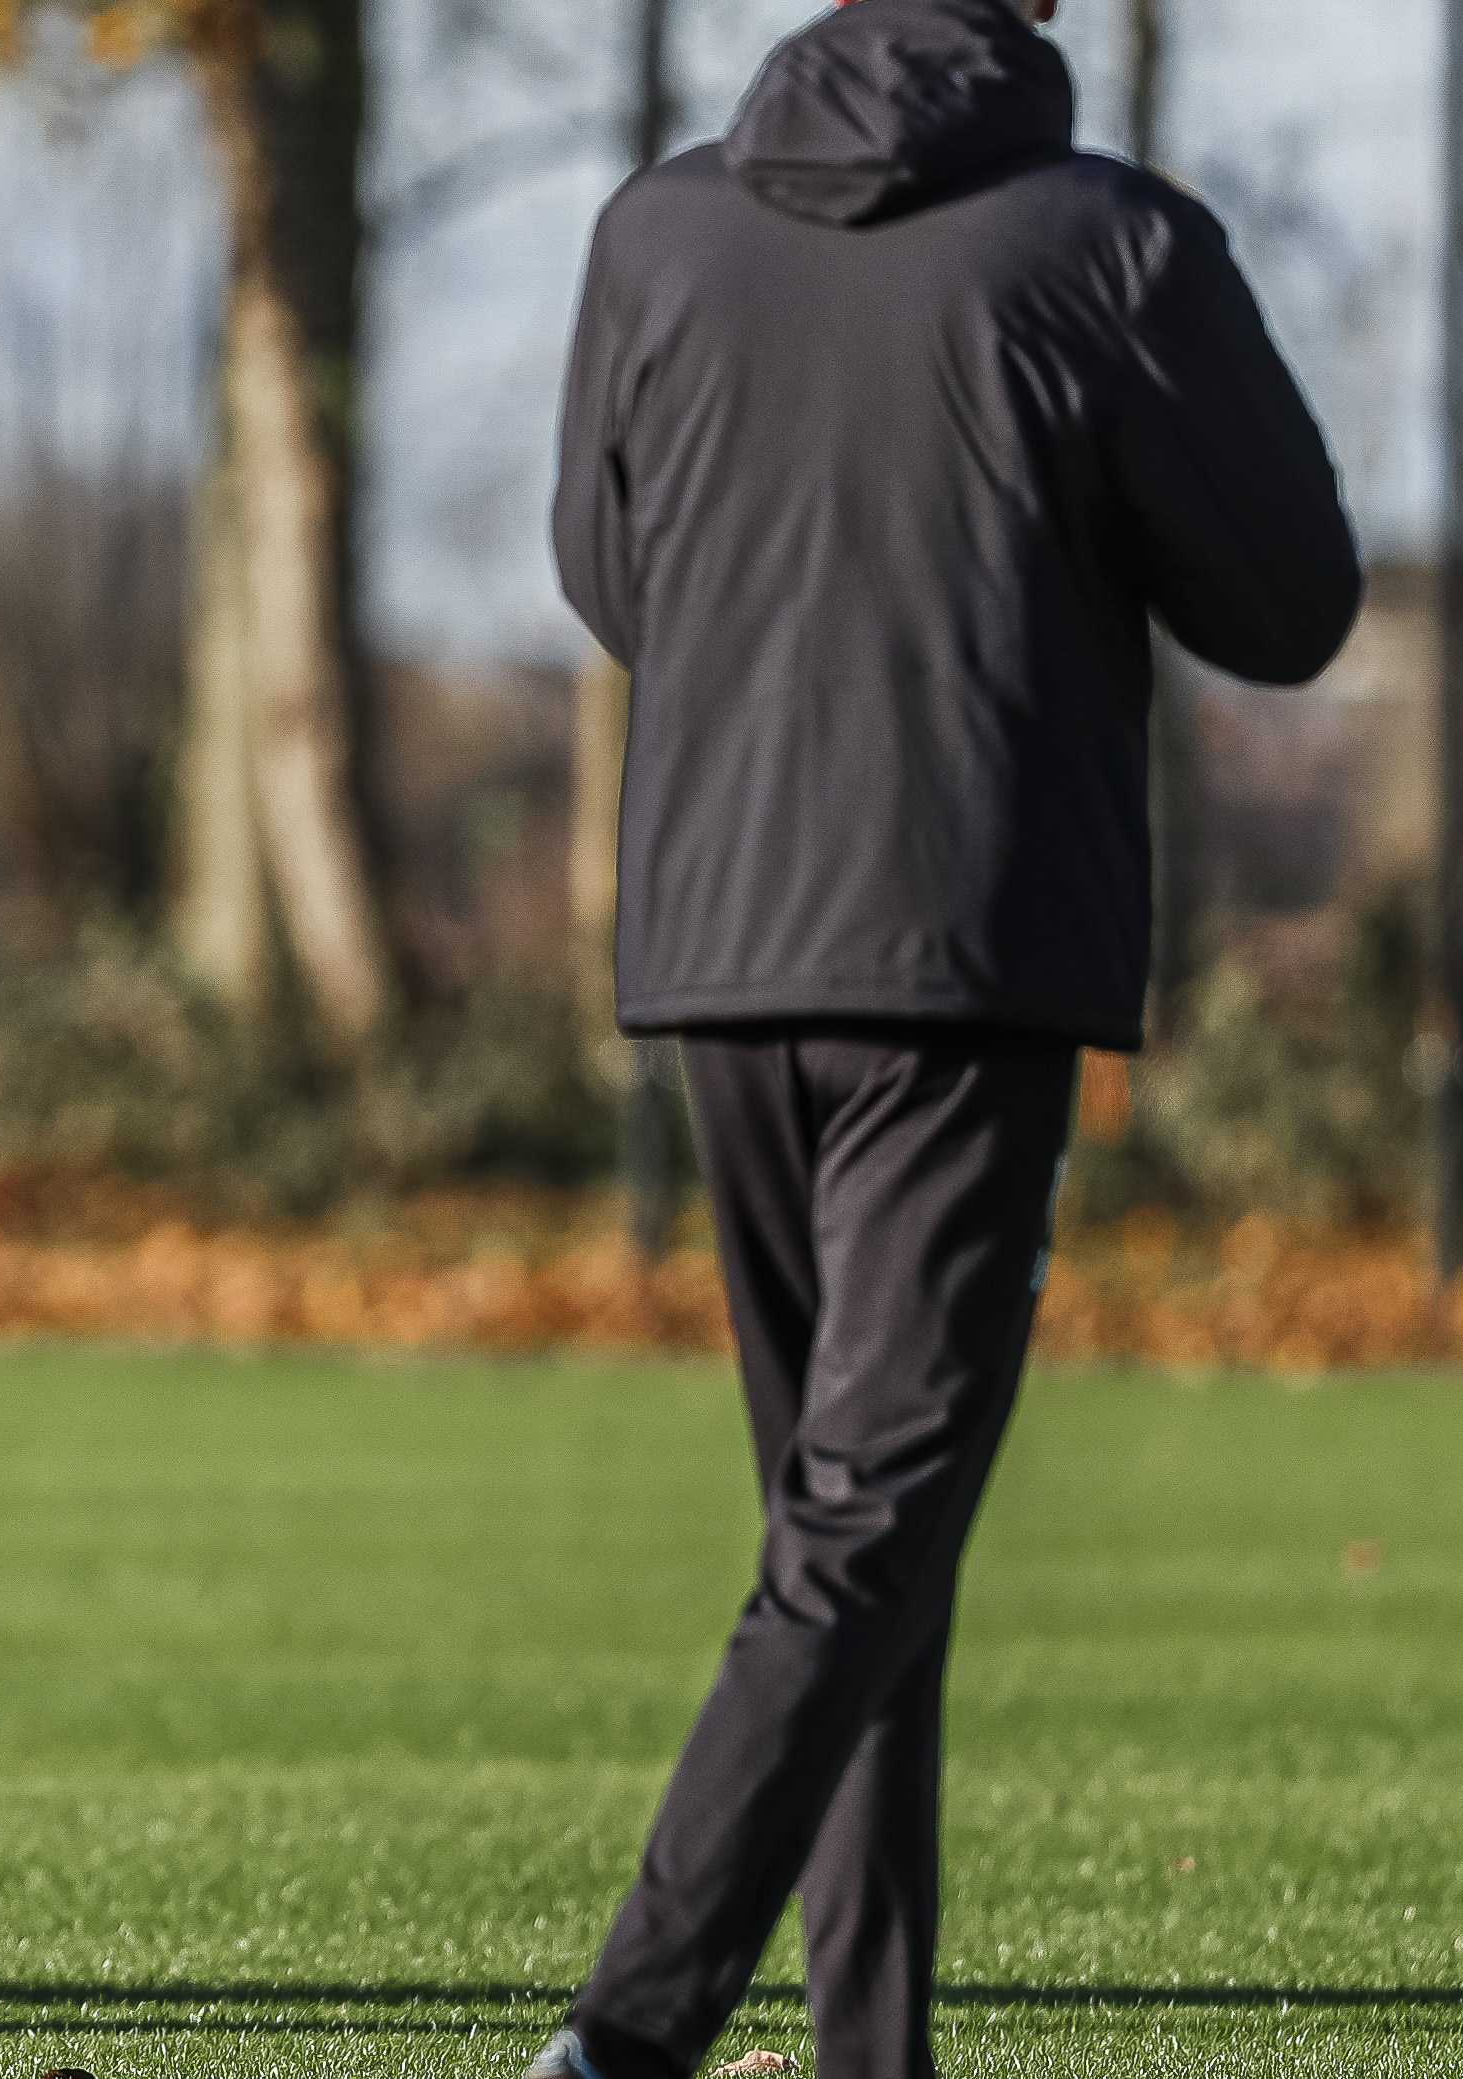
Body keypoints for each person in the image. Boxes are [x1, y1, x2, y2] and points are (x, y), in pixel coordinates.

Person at [530, 2, 1358, 2075]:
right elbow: (1290, 601)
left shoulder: (652, 235)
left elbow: (608, 568)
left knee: (841, 1543)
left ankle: (867, 2051)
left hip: (721, 946)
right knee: (864, 1533)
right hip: (961, 950)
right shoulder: (1110, 246)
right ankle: (619, 2041)